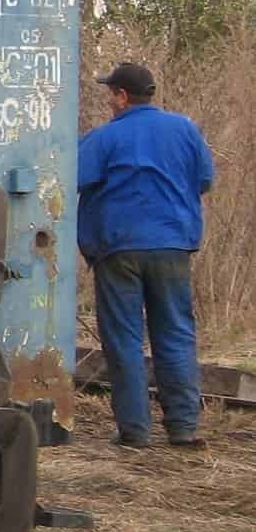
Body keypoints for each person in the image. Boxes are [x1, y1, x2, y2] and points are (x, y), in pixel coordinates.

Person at [77, 62, 215, 449]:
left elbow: (71, 177)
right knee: (175, 334)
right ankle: (184, 429)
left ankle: (135, 433)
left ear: (122, 96)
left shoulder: (104, 138)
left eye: (110, 93)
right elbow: (204, 180)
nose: (108, 101)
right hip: (172, 245)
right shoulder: (186, 130)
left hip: (119, 248)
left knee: (124, 340)